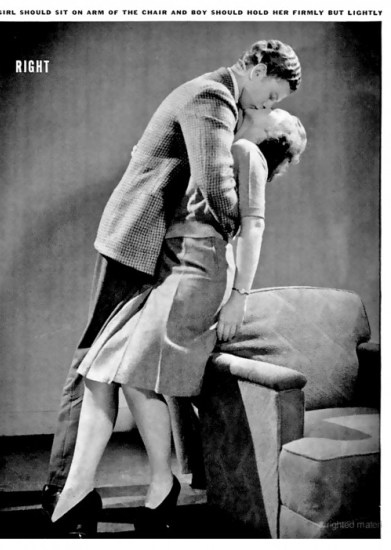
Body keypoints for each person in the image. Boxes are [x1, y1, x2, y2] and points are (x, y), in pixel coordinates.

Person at [42, 39, 302, 534]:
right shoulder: (213, 98)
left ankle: (100, 489)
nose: (266, 108)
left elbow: (238, 211)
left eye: (275, 110)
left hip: (188, 265)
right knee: (99, 364)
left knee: (116, 368)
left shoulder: (243, 147)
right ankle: (82, 488)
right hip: (155, 251)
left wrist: (233, 267)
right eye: (270, 98)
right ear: (255, 68)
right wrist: (226, 227)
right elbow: (213, 185)